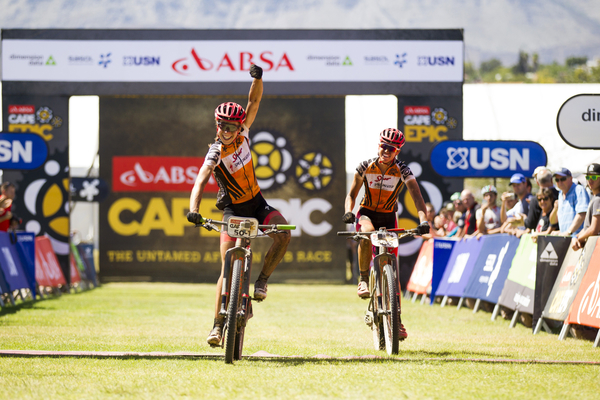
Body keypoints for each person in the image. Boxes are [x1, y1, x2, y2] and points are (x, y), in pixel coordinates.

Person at [186, 64, 291, 346]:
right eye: (222, 125)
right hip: (233, 211)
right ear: (216, 124)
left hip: (257, 204)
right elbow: (200, 180)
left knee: (284, 235)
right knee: (227, 265)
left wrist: (257, 78)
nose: (227, 130)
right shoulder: (215, 151)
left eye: (231, 126)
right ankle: (217, 326)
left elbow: (254, 101)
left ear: (239, 125)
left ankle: (262, 281)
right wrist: (194, 209)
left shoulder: (244, 132)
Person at [343, 128, 430, 338]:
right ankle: (363, 279)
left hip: (390, 218)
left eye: (392, 148)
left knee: (393, 269)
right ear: (378, 145)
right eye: (384, 146)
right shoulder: (365, 166)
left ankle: (397, 320)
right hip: (367, 214)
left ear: (398, 150)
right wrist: (348, 212)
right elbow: (351, 195)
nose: (386, 151)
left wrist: (424, 220)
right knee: (366, 233)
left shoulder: (403, 170)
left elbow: (418, 198)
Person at [552, 167, 589, 236]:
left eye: (563, 179)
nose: (559, 182)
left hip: (579, 239)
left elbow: (582, 214)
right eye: (557, 180)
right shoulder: (560, 194)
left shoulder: (578, 190)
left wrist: (568, 232)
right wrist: (561, 232)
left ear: (571, 178)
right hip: (567, 238)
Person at [571, 163, 600, 250]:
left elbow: (594, 229)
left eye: (594, 177)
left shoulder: (598, 199)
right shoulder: (595, 198)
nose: (590, 180)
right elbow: (588, 227)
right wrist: (576, 236)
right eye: (588, 177)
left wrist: (578, 238)